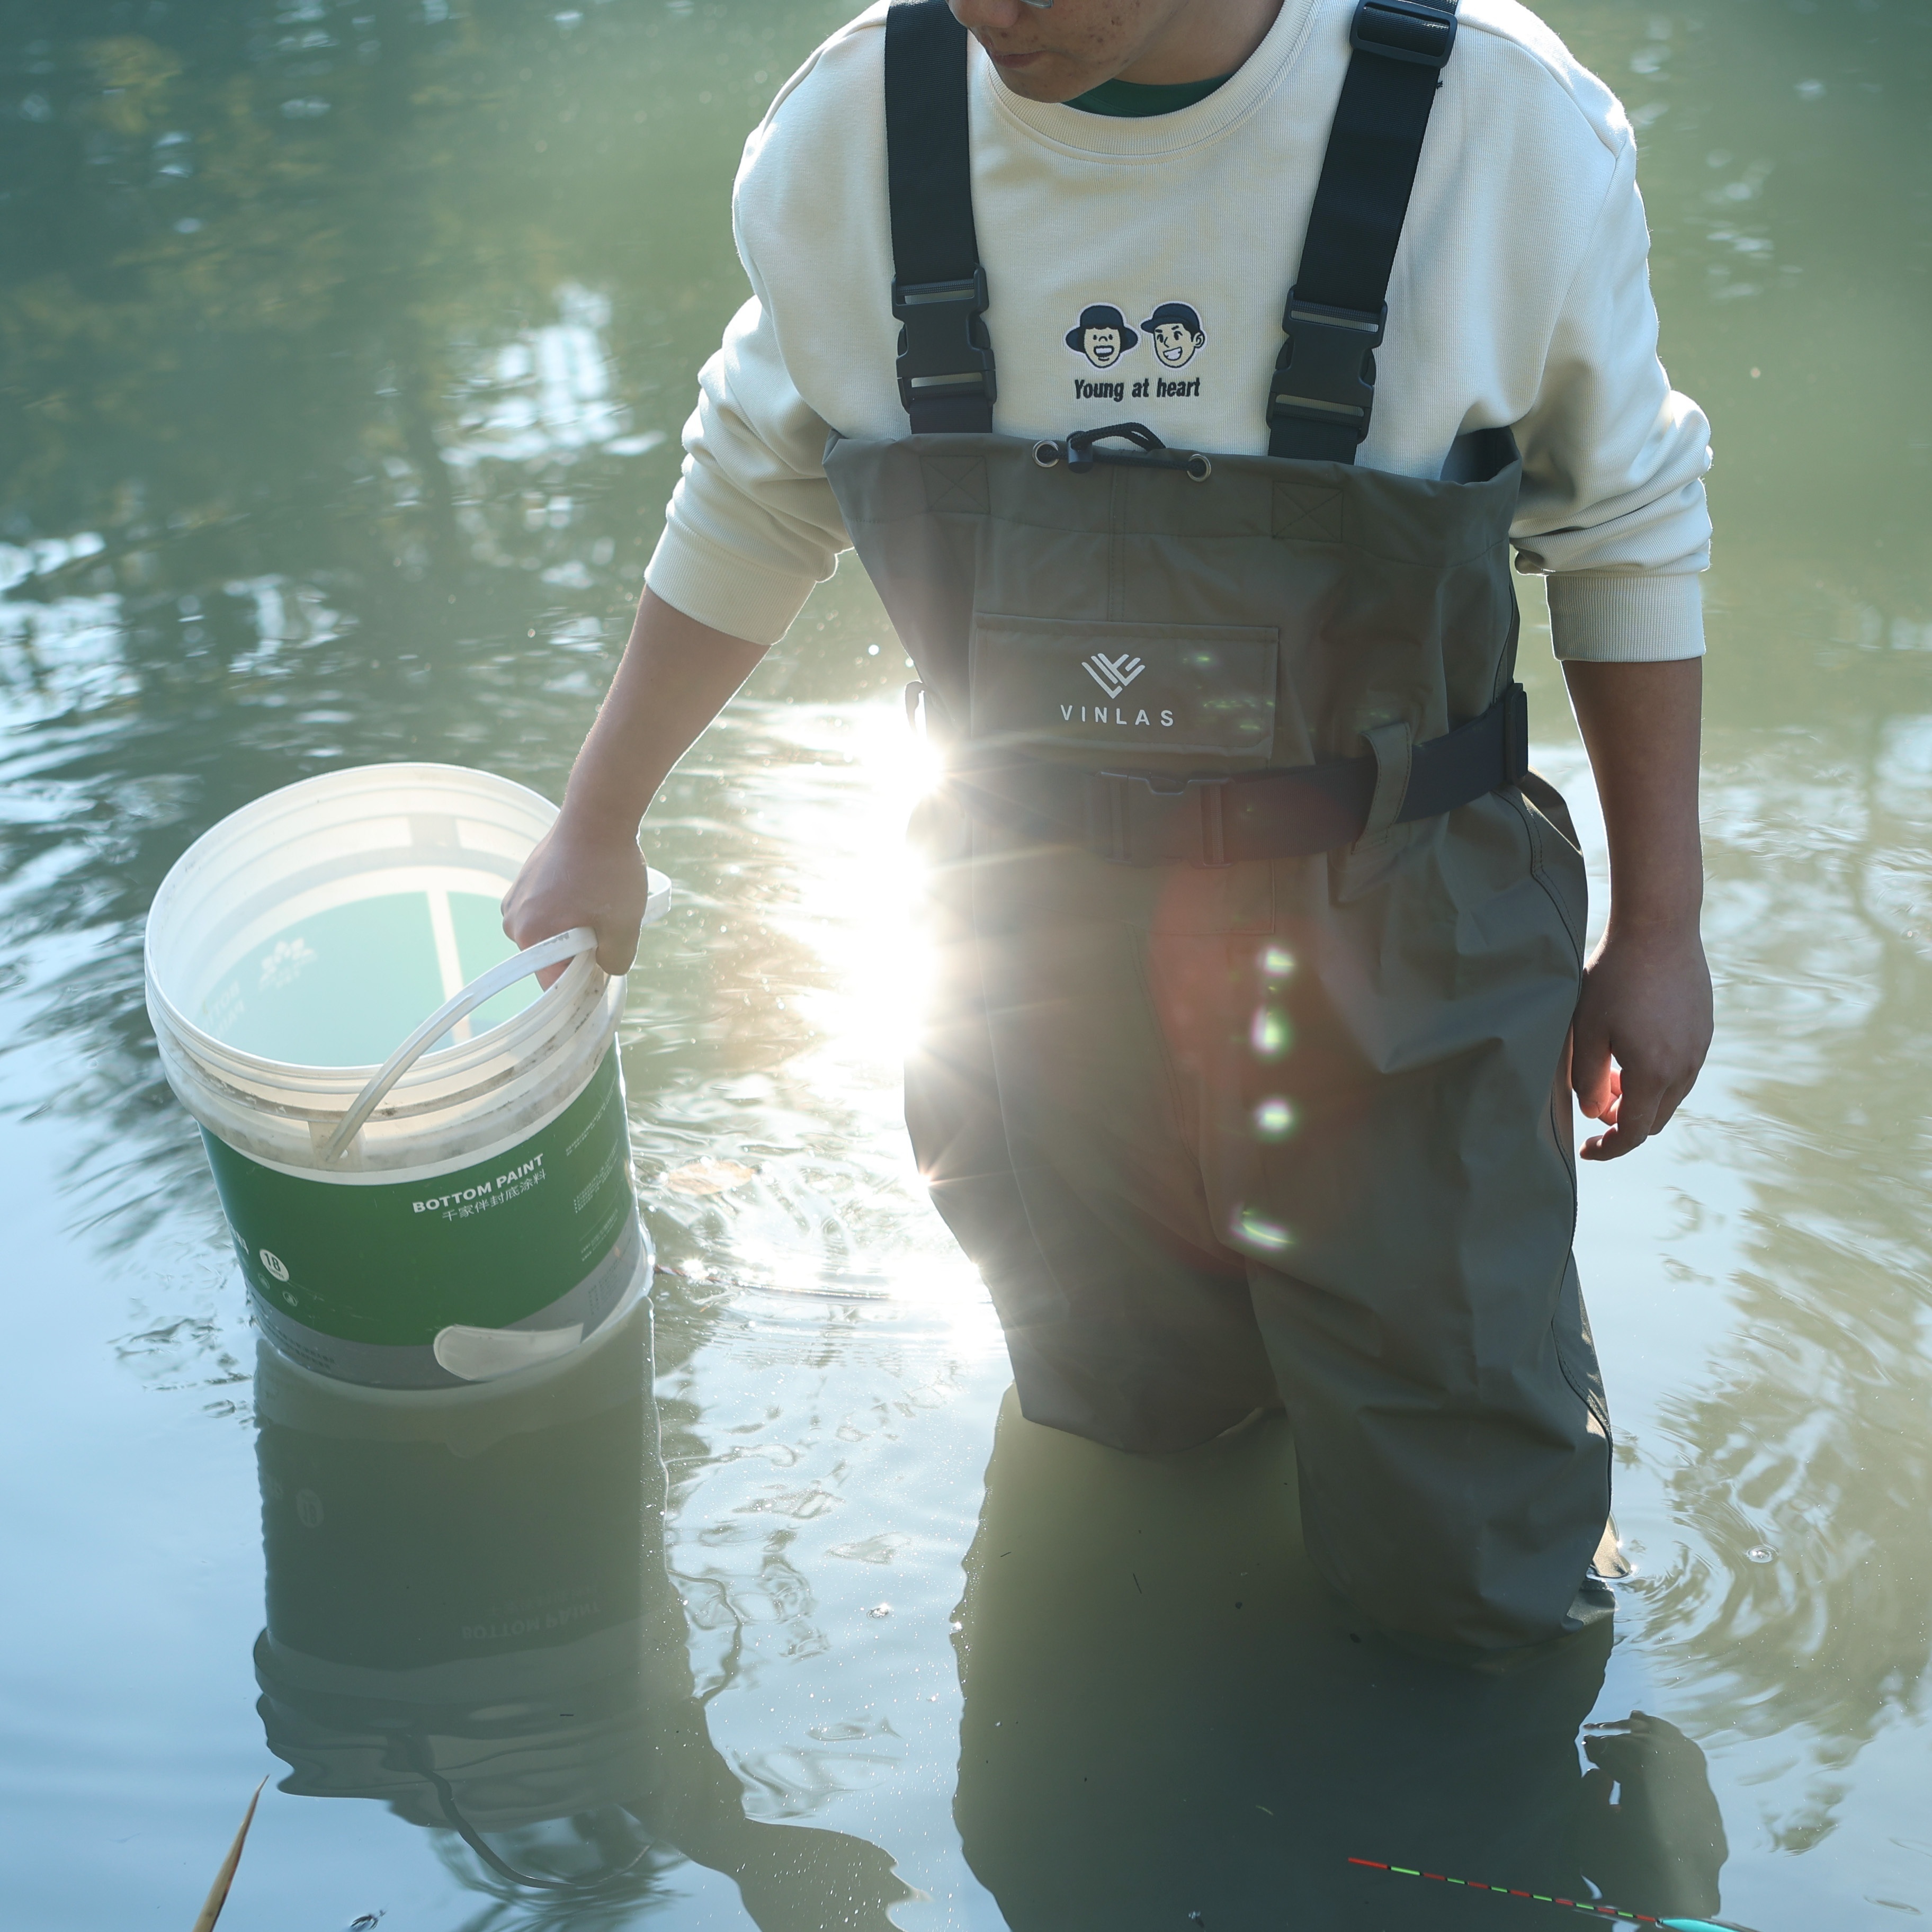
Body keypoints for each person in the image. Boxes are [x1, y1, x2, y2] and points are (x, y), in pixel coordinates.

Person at [503, 0, 1714, 1657]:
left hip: (1403, 932)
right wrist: (599, 820)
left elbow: (1630, 519)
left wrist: (1658, 933)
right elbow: (758, 478)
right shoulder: (855, 130)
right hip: (1027, 954)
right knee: (1128, 1426)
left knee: (1474, 1576)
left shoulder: (1491, 123)